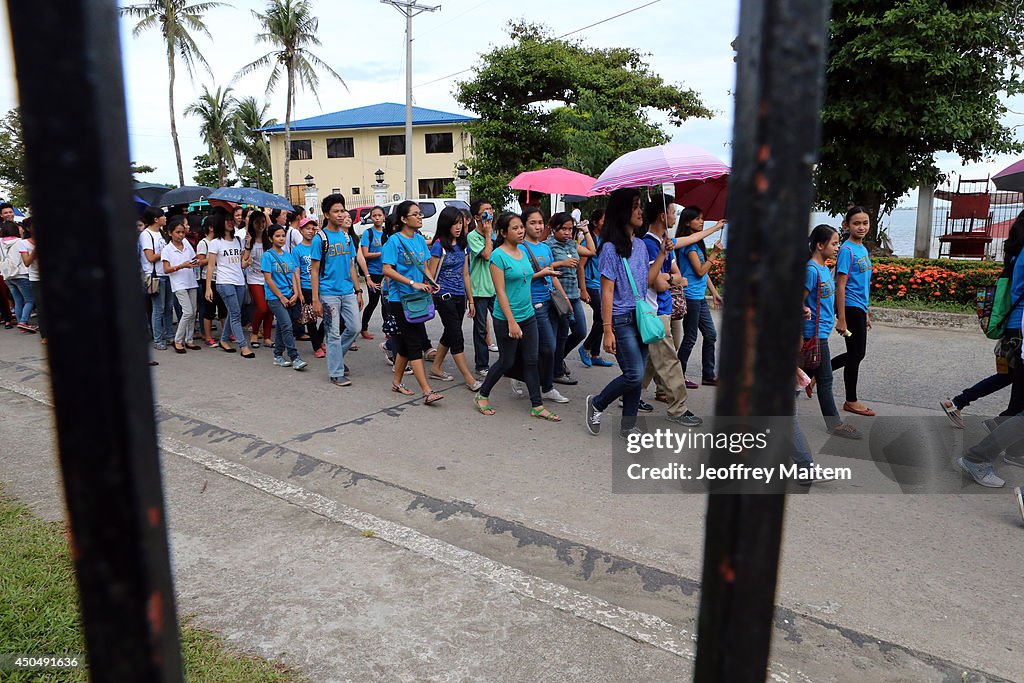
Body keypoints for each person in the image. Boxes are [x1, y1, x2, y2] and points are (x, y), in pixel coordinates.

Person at [584, 188, 661, 438]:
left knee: (636, 377)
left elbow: (647, 281)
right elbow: (607, 291)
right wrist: (607, 329)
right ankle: (597, 402)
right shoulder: (609, 248)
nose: (641, 211)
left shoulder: (639, 245)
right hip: (621, 319)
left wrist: (662, 254)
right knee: (634, 374)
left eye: (640, 206)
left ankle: (629, 425)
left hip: (640, 317)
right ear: (622, 211)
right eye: (635, 206)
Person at [940, 210, 1024, 427]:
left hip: (1012, 326)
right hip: (1021, 331)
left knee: (1008, 376)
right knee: (1016, 384)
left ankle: (958, 402)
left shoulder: (1015, 252)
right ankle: (1000, 428)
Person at [473, 212, 559, 421]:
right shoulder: (497, 256)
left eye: (521, 227)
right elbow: (500, 291)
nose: (521, 231)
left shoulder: (522, 250)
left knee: (531, 360)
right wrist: (511, 321)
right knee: (506, 361)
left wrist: (528, 306)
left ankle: (537, 405)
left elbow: (526, 280)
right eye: (515, 228)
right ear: (503, 232)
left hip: (528, 314)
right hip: (506, 318)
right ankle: (482, 394)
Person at [640, 197, 718, 426]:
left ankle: (630, 395)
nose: (675, 217)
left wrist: (672, 278)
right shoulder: (649, 244)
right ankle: (678, 408)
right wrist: (673, 278)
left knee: (652, 361)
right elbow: (657, 282)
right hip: (654, 310)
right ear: (663, 216)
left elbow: (676, 277)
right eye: (673, 212)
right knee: (670, 360)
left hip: (665, 307)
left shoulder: (667, 243)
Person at [380, 201, 444, 404]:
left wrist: (431, 282)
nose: (420, 217)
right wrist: (412, 283)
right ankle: (427, 391)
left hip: (418, 298)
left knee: (408, 346)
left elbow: (424, 266)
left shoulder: (418, 239)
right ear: (403, 219)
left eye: (420, 214)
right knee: (415, 342)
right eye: (415, 214)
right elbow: (387, 270)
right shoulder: (394, 242)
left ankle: (397, 383)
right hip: (400, 299)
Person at [802, 224, 861, 439]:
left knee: (801, 377)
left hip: (821, 331)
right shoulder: (811, 270)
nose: (838, 247)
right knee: (825, 380)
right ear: (820, 245)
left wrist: (839, 320)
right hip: (813, 334)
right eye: (834, 243)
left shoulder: (825, 268)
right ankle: (834, 424)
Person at [517, 206, 572, 404]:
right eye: (533, 223)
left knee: (550, 345)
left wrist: (565, 298)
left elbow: (552, 277)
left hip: (551, 301)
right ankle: (543, 385)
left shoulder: (546, 248)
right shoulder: (521, 249)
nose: (538, 226)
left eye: (540, 222)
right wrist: (544, 273)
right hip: (534, 303)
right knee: (547, 347)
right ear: (524, 225)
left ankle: (544, 384)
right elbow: (521, 277)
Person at [425, 207, 481, 390]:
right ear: (446, 224)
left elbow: (466, 274)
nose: (458, 227)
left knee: (450, 332)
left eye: (460, 223)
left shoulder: (463, 245)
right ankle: (469, 378)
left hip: (459, 296)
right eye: (454, 223)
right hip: (444, 297)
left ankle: (435, 367)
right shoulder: (439, 245)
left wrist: (471, 300)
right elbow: (431, 275)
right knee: (457, 337)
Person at [311, 193, 363, 387]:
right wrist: (315, 299)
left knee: (355, 328)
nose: (341, 215)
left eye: (342, 210)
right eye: (336, 211)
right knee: (332, 333)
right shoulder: (320, 238)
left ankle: (336, 358)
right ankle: (336, 372)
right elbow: (314, 270)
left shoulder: (346, 237)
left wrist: (358, 290)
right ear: (327, 214)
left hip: (347, 291)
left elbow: (351, 265)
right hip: (328, 293)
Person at [675, 206, 725, 389]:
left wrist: (715, 293)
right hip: (691, 297)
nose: (701, 221)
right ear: (688, 222)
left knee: (710, 334)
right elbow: (700, 270)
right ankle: (678, 375)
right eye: (698, 218)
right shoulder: (689, 245)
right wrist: (714, 254)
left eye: (702, 218)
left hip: (699, 297)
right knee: (690, 337)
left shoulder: (696, 244)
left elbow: (704, 275)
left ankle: (708, 375)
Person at [832, 206, 875, 416]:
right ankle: (851, 400)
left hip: (859, 308)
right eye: (856, 223)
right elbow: (840, 285)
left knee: (856, 353)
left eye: (865, 223)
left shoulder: (863, 249)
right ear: (846, 225)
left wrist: (866, 311)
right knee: (857, 353)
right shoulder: (847, 250)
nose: (861, 227)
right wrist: (841, 318)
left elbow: (863, 283)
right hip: (849, 307)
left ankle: (812, 374)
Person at [205, 207, 254, 357]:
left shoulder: (238, 240)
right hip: (224, 282)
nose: (230, 223)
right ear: (221, 222)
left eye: (232, 220)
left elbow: (243, 260)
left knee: (234, 313)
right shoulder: (215, 243)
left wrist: (248, 244)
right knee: (235, 314)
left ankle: (224, 340)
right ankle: (243, 345)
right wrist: (208, 288)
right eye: (227, 220)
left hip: (239, 280)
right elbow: (211, 266)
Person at [545, 212, 588, 384]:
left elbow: (591, 251)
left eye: (570, 229)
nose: (567, 232)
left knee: (580, 331)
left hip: (574, 294)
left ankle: (558, 359)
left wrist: (585, 231)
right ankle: (556, 371)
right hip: (559, 296)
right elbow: (543, 265)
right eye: (563, 228)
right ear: (555, 228)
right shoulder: (548, 245)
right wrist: (561, 263)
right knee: (561, 334)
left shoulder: (572, 244)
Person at [262, 224, 308, 371]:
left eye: (283, 235)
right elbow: (268, 279)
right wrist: (281, 296)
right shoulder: (267, 256)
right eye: (277, 236)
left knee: (283, 326)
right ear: (270, 238)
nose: (281, 238)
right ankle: (294, 357)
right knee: (287, 326)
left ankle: (278, 355)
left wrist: (295, 293)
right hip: (275, 298)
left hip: (289, 295)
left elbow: (294, 275)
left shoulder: (288, 255)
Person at [160, 216, 201, 353]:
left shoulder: (187, 244)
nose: (181, 235)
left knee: (193, 312)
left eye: (183, 232)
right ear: (170, 233)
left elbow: (193, 258)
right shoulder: (167, 249)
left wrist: (195, 262)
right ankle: (178, 340)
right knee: (187, 312)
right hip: (179, 283)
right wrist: (181, 266)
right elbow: (166, 269)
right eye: (178, 232)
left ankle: (189, 340)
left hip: (191, 281)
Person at [578, 209, 614, 368]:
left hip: (601, 284)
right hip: (591, 284)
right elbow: (580, 266)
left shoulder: (604, 239)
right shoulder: (590, 240)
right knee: (602, 318)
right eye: (603, 220)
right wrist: (583, 289)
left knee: (598, 318)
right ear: (595, 222)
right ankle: (585, 347)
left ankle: (595, 354)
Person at [467, 199, 496, 376]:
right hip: (479, 288)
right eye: (485, 211)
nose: (489, 213)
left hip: (495, 286)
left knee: (503, 323)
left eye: (491, 210)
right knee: (480, 328)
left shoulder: (493, 233)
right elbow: (486, 255)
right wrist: (487, 234)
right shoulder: (472, 236)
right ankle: (482, 365)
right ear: (477, 216)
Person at [138, 207, 173, 350]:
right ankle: (158, 339)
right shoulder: (146, 235)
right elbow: (150, 257)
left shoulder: (161, 233)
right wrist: (166, 252)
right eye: (163, 216)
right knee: (159, 308)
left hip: (166, 273)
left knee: (168, 308)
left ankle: (169, 335)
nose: (165, 218)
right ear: (155, 219)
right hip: (155, 276)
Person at [292, 216, 325, 358]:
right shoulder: (297, 250)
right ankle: (317, 346)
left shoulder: (319, 246)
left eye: (313, 228)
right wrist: (298, 291)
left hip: (322, 285)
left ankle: (319, 338)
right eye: (307, 228)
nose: (311, 231)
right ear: (301, 230)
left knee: (327, 315)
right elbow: (296, 272)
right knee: (311, 318)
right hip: (306, 286)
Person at [245, 211, 273, 348]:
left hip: (269, 279)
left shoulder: (270, 239)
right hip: (254, 278)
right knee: (262, 308)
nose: (261, 225)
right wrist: (248, 246)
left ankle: (267, 337)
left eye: (263, 221)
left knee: (270, 309)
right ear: (252, 224)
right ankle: (255, 333)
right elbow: (243, 261)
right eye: (257, 222)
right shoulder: (249, 240)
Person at [359, 206, 386, 339]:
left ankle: (388, 329)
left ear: (384, 217)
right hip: (373, 272)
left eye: (379, 215)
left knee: (386, 302)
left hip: (387, 272)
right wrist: (380, 253)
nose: (377, 218)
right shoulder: (368, 233)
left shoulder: (387, 233)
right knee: (373, 302)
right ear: (371, 218)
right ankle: (364, 328)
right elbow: (365, 254)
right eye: (374, 216)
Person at [1, 221, 33, 332]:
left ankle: (21, 325)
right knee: (30, 300)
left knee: (17, 300)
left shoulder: (0, 243)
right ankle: (23, 322)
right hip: (21, 274)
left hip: (7, 276)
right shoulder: (20, 242)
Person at [18, 218, 44, 343]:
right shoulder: (23, 243)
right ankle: (45, 335)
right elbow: (27, 262)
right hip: (36, 279)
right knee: (42, 308)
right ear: (28, 228)